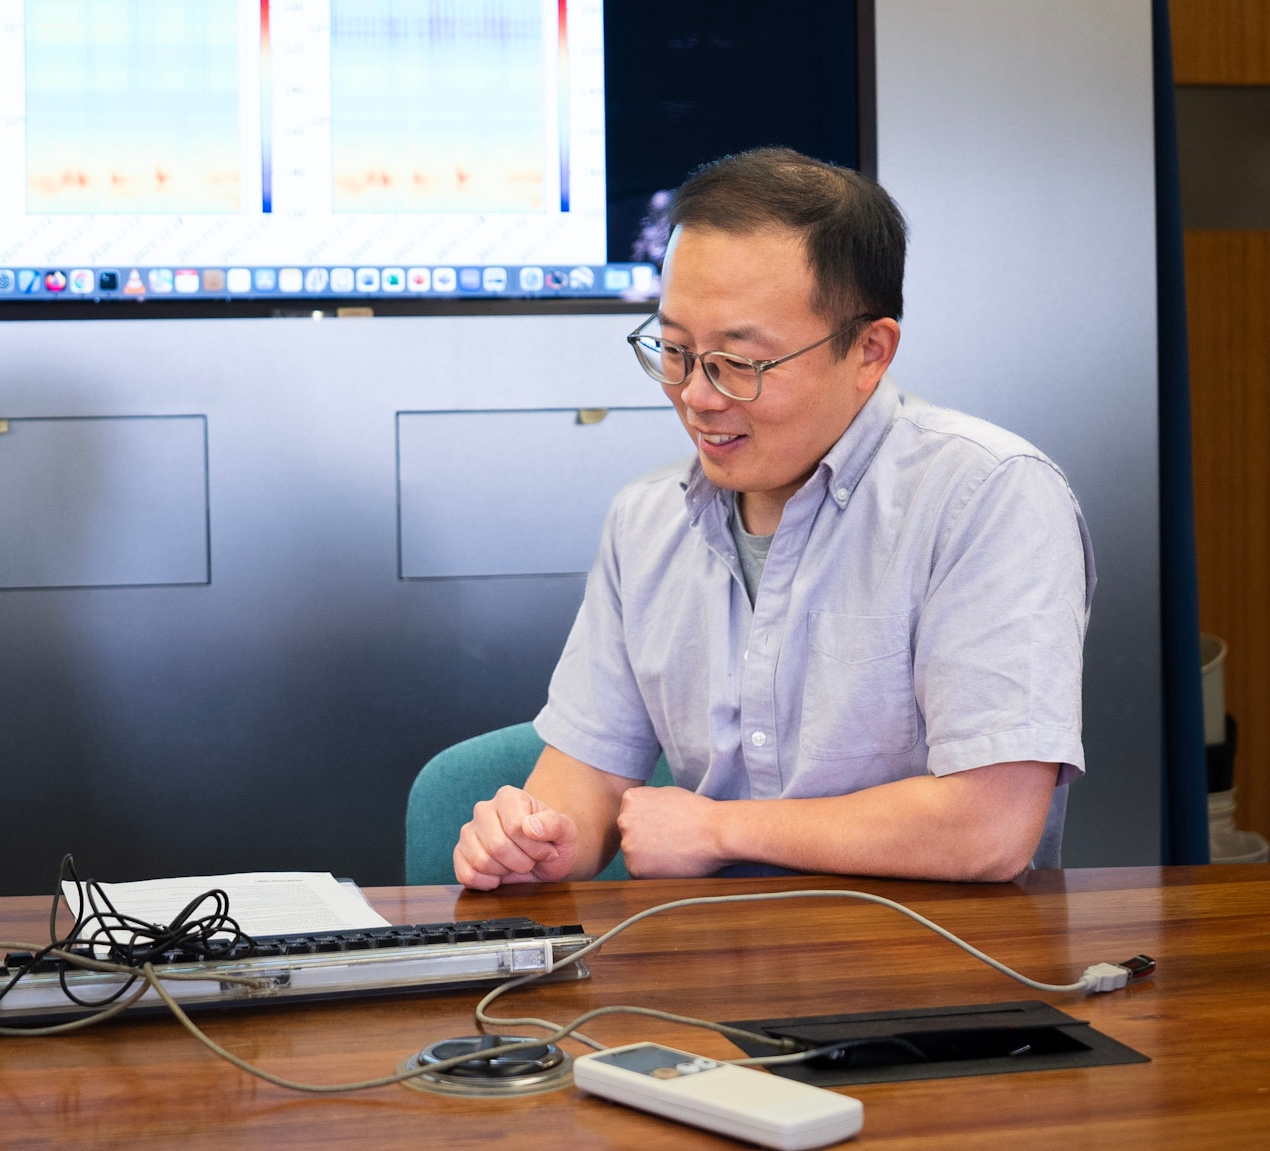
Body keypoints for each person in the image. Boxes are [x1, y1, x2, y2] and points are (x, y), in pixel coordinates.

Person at [453, 148, 1093, 889]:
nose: (696, 395)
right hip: (704, 964)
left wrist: (720, 829)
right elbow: (587, 776)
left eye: (739, 362)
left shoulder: (986, 496)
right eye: (675, 350)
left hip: (933, 974)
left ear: (869, 350)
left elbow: (990, 827)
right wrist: (535, 838)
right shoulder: (647, 519)